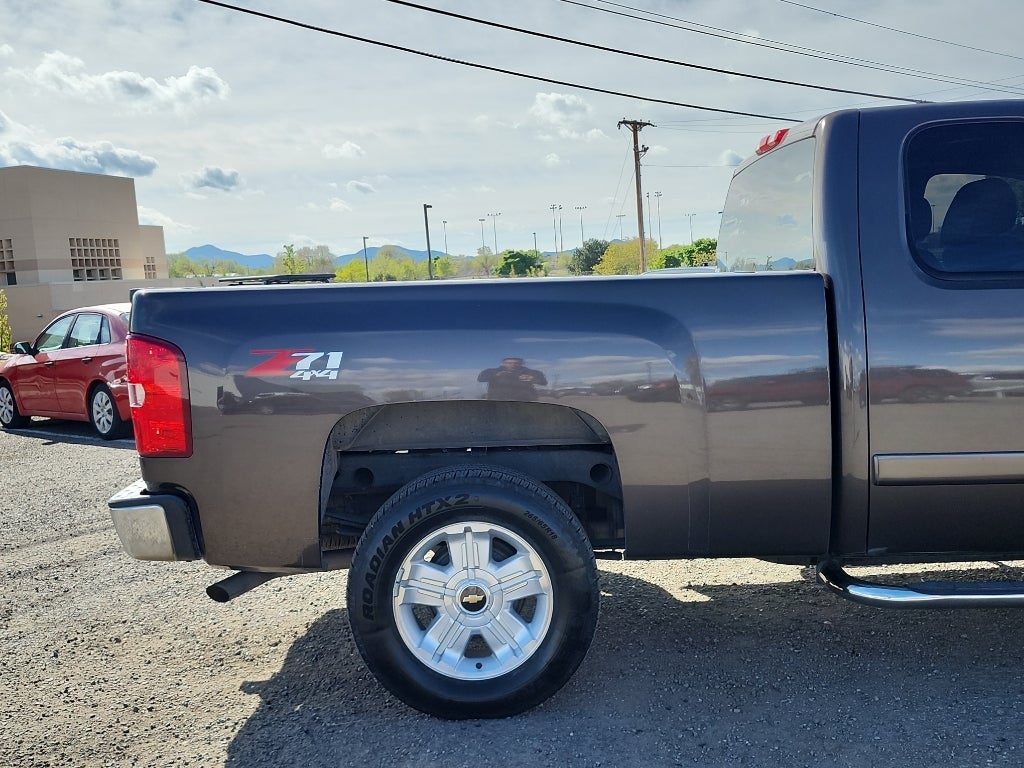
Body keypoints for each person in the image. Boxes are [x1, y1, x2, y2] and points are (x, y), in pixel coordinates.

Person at [477, 357, 547, 401]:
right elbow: (480, 379)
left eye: (516, 363)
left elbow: (543, 382)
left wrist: (533, 379)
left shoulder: (531, 372)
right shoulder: (492, 371)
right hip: (498, 401)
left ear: (521, 364)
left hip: (524, 402)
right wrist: (495, 376)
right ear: (503, 363)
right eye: (509, 363)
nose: (512, 365)